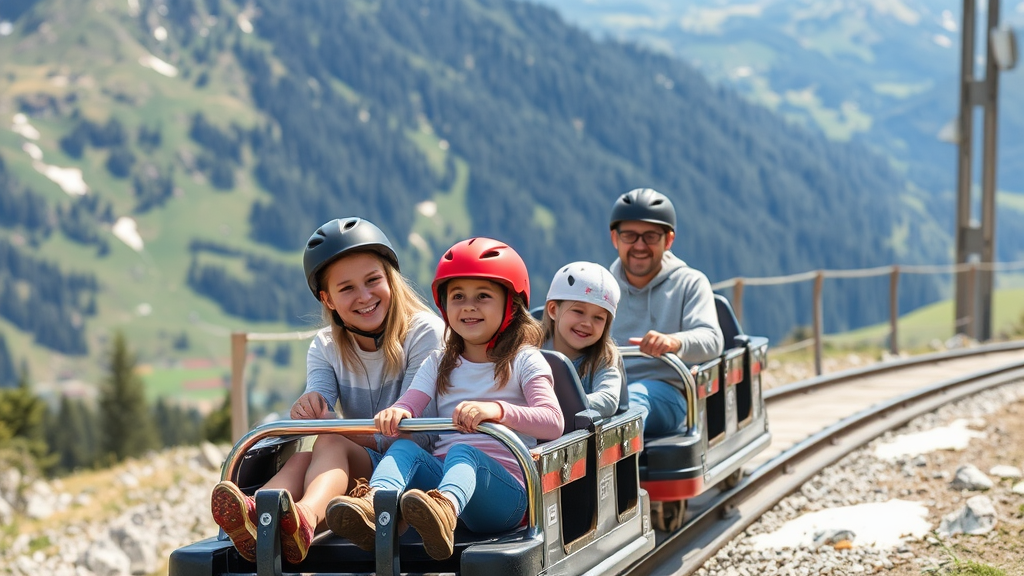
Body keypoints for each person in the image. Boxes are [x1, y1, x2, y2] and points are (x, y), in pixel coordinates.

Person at [209, 217, 444, 564]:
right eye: (346, 288)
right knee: (306, 457)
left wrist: (332, 427)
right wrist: (310, 406)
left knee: (329, 441)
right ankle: (260, 515)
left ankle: (303, 518)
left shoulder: (424, 332)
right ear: (328, 299)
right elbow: (319, 396)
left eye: (372, 280)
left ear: (391, 281)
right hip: (370, 466)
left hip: (418, 471)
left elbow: (414, 435)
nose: (364, 297)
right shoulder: (325, 346)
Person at [324, 237, 564, 560]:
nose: (468, 306)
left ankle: (443, 512)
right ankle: (375, 507)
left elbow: (553, 421)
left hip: (506, 496)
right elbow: (411, 402)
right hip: (444, 482)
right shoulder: (439, 362)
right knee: (405, 446)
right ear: (444, 304)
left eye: (483, 296)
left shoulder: (525, 360)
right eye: (458, 296)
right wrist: (396, 414)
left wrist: (495, 411)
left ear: (511, 304)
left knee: (465, 450)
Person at [608, 188, 723, 437]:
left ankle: (619, 471)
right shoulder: (601, 287)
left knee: (632, 403)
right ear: (615, 238)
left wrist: (672, 342)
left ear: (668, 240)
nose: (639, 245)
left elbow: (712, 339)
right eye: (629, 235)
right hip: (605, 388)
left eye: (650, 236)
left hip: (665, 391)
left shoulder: (690, 283)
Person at [541, 261, 623, 418]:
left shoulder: (602, 359)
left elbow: (609, 399)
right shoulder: (530, 348)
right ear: (553, 310)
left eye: (598, 318)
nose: (587, 323)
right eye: (578, 311)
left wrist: (559, 404)